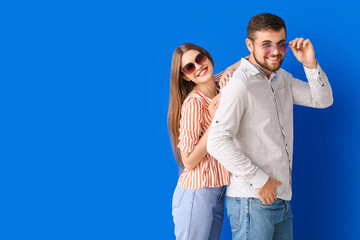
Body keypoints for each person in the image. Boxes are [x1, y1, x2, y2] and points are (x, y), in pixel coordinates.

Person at [207, 13, 333, 240]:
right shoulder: (238, 85)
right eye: (266, 45)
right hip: (253, 200)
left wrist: (310, 65)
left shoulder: (282, 78)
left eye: (281, 44)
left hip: (282, 199)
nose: (275, 52)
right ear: (249, 44)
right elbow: (216, 141)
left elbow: (322, 100)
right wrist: (260, 180)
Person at [167, 43, 240, 240]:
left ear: (206, 56)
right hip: (196, 193)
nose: (198, 67)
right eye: (190, 67)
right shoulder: (193, 103)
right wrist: (214, 120)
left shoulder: (219, 84)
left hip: (217, 192)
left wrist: (231, 70)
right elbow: (188, 161)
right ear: (184, 76)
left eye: (199, 58)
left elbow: (246, 63)